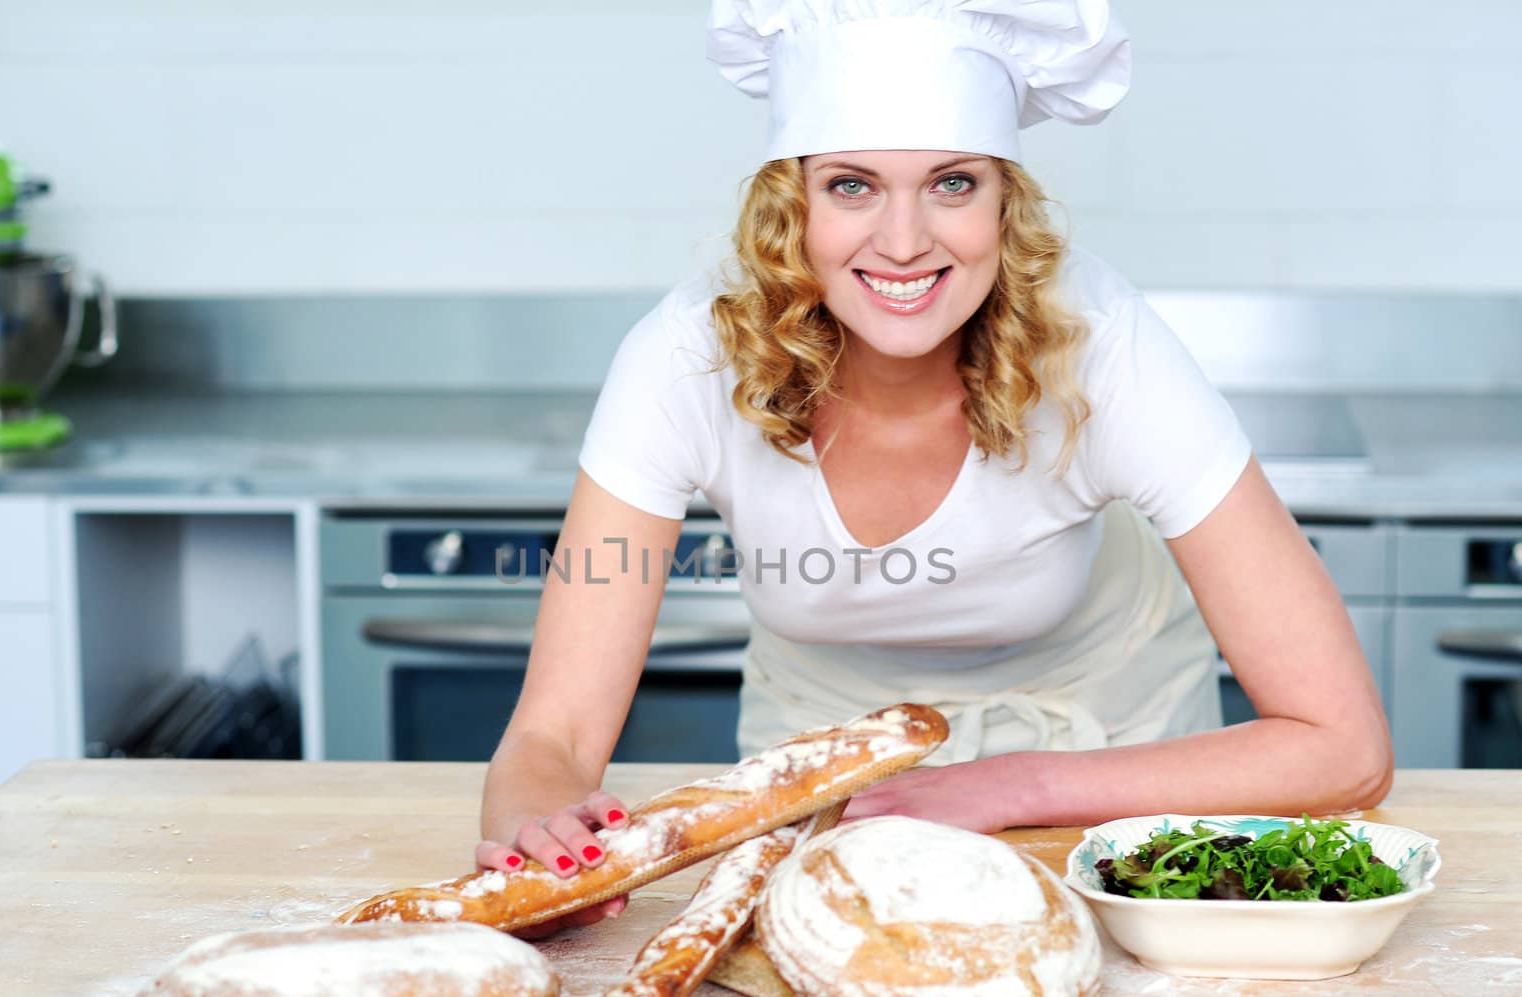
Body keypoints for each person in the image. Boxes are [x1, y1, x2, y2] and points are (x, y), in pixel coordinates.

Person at [477, 0, 1393, 936]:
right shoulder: (689, 358)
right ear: (790, 207)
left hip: (1105, 759)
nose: (906, 241)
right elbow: (555, 734)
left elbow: (1345, 746)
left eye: (952, 184)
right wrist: (536, 827)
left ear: (1006, 202)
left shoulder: (1103, 348)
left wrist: (1011, 787)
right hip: (825, 776)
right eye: (852, 186)